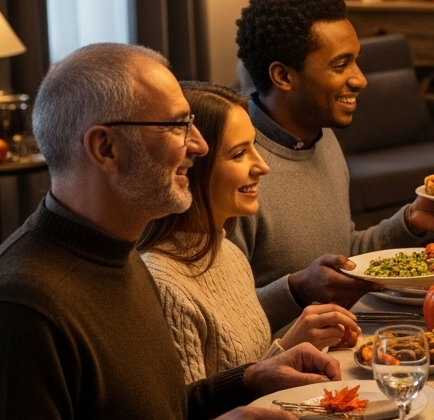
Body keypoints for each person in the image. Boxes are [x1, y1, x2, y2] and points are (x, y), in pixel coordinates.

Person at [0, 43, 342, 420]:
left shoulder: (117, 251)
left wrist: (246, 381)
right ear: (105, 147)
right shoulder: (19, 301)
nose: (198, 145)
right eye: (178, 126)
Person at [231, 0, 434, 330]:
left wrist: (410, 222)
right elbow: (216, 321)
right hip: (279, 364)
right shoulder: (232, 166)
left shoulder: (322, 135)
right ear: (283, 76)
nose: (360, 79)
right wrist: (296, 290)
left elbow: (345, 251)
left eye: (355, 61)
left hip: (346, 335)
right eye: (341, 65)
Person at [140, 82, 361, 384]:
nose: (262, 167)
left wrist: (294, 346)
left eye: (254, 147)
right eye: (239, 153)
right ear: (192, 165)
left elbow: (249, 371)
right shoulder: (164, 284)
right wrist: (291, 343)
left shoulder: (228, 253)